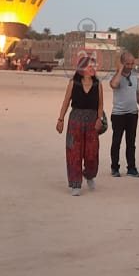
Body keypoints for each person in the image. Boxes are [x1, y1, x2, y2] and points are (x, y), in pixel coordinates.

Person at [56, 53, 104, 194]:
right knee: (74, 153)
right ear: (82, 68)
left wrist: (99, 119)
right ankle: (75, 183)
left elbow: (100, 105)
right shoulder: (73, 83)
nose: (93, 69)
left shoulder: (98, 84)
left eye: (94, 66)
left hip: (92, 122)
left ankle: (89, 175)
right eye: (90, 66)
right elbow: (66, 102)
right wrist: (60, 119)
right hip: (75, 121)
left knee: (92, 154)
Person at [109, 49, 139, 177]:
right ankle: (115, 167)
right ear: (122, 63)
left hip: (132, 114)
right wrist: (119, 70)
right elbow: (113, 85)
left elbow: (136, 92)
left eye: (132, 64)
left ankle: (131, 168)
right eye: (128, 64)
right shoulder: (116, 76)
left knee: (131, 142)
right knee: (116, 141)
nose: (130, 66)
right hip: (118, 114)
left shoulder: (135, 76)